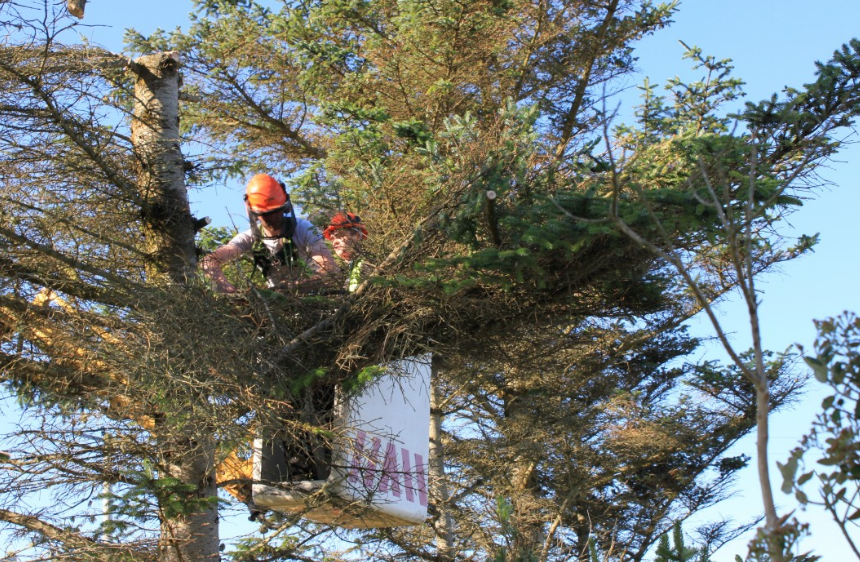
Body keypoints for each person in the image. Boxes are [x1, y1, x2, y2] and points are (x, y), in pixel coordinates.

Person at [202, 174, 336, 294]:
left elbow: (330, 269)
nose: (272, 217)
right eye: (265, 214)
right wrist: (226, 287)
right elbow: (209, 261)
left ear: (285, 206)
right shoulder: (249, 238)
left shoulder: (303, 229)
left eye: (276, 211)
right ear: (253, 212)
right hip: (277, 305)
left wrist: (298, 286)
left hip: (316, 297)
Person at [323, 211, 371, 293]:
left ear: (357, 236)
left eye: (339, 235)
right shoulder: (352, 265)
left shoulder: (368, 263)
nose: (335, 242)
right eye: (332, 239)